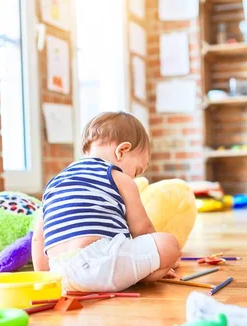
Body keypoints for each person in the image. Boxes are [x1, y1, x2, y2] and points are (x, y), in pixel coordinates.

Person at [32, 111, 181, 292]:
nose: (133, 177)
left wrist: (45, 276)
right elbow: (143, 231)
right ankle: (139, 276)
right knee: (168, 243)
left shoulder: (54, 183)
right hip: (101, 263)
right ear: (122, 151)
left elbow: (38, 238)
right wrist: (160, 258)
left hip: (60, 274)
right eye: (136, 171)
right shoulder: (117, 177)